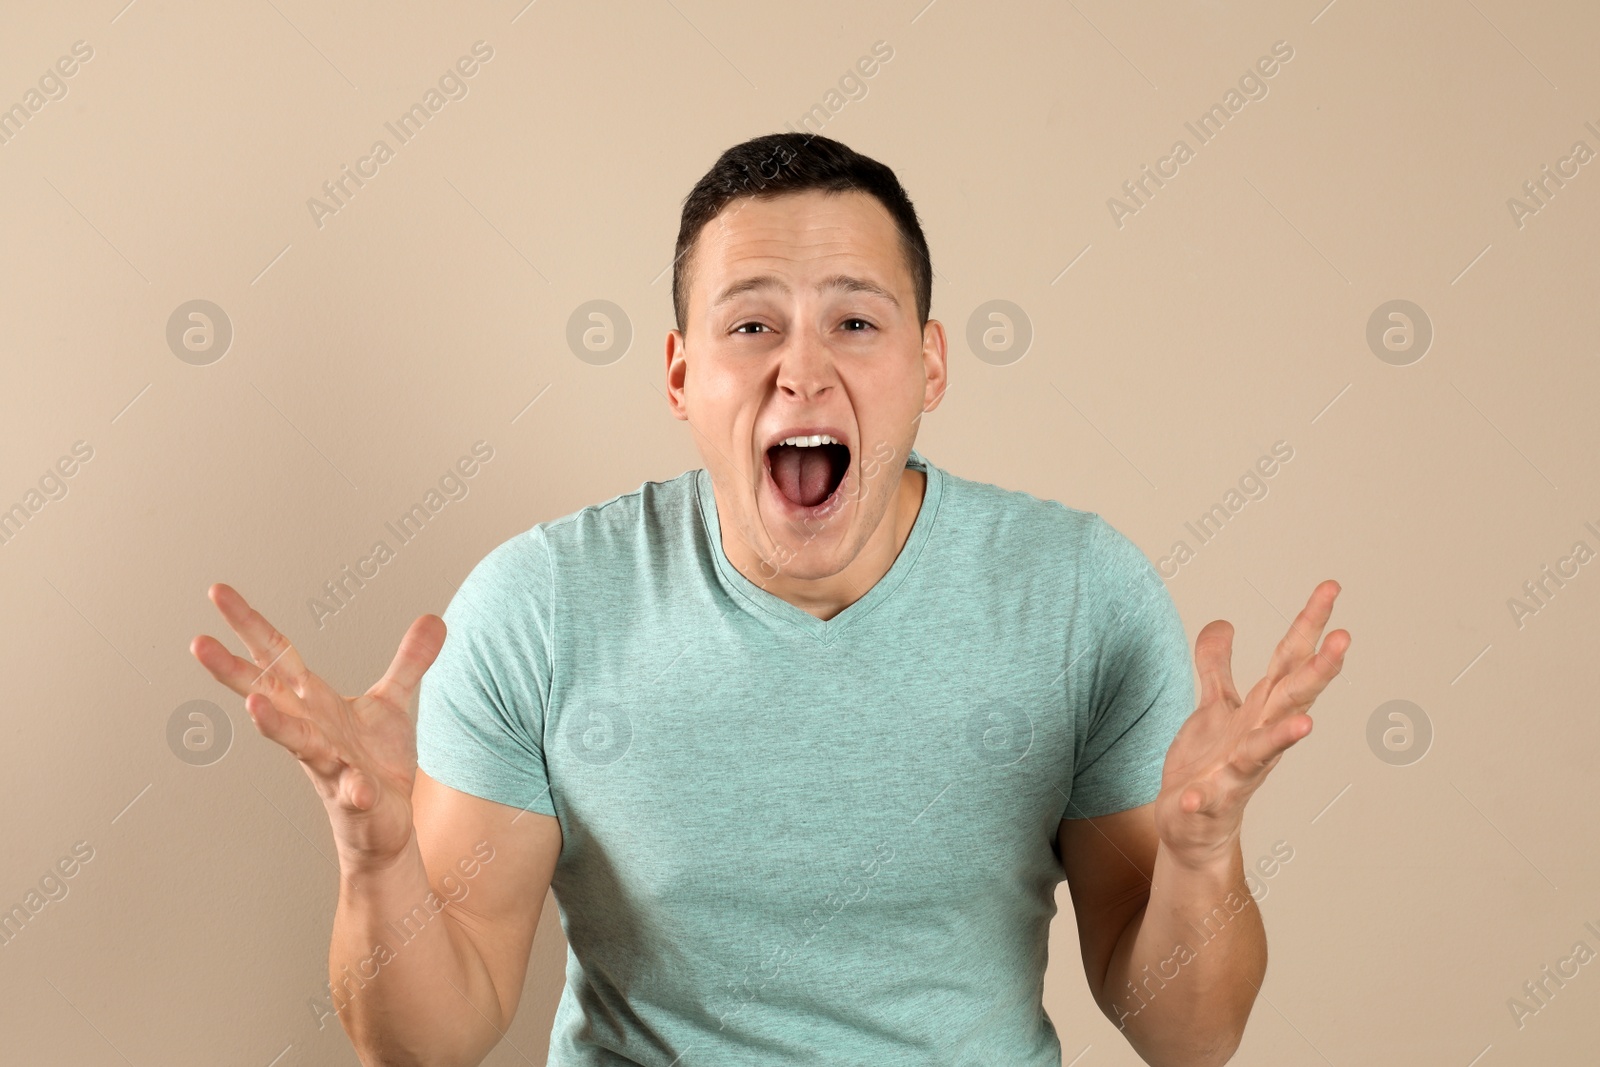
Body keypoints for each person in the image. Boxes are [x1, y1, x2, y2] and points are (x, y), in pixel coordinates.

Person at [191, 132, 1349, 1067]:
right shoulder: (539, 605)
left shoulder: (1078, 595)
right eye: (752, 324)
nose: (802, 368)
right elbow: (427, 1040)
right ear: (682, 373)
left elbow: (1189, 1035)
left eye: (855, 320)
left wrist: (1202, 857)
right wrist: (378, 861)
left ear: (930, 364)